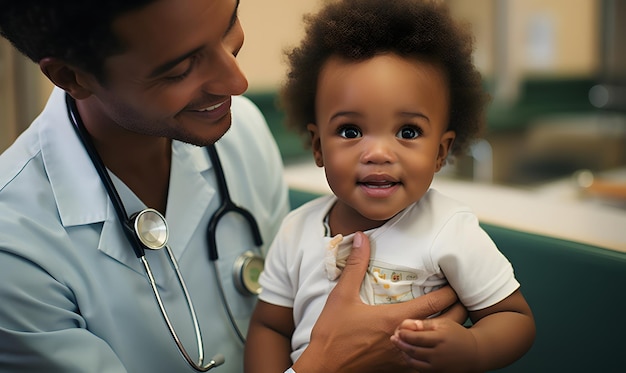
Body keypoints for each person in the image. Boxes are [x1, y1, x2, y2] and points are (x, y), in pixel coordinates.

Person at [0, 0, 460, 372]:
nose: (236, 82)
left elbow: (293, 305)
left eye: (231, 21)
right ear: (72, 76)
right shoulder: (15, 251)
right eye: (181, 68)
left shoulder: (240, 136)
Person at [245, 0, 536, 372]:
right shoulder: (295, 230)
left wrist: (474, 346)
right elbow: (270, 325)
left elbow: (514, 317)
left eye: (408, 132)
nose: (378, 153)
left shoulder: (449, 230)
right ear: (319, 147)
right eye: (350, 131)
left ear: (440, 152)